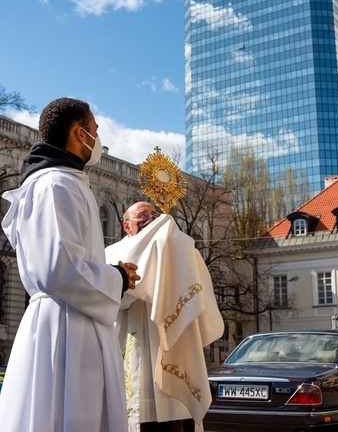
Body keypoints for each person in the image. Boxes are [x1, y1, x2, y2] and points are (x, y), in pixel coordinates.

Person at [0, 97, 140, 432]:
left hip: (72, 318)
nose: (99, 140)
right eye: (95, 130)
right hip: (65, 327)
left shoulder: (62, 181)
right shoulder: (54, 184)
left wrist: (114, 276)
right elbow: (57, 268)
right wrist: (117, 277)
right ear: (80, 133)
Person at [105, 201, 225, 432]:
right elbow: (113, 297)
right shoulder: (112, 252)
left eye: (154, 214)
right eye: (141, 215)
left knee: (174, 414)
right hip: (131, 337)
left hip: (170, 340)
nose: (150, 218)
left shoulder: (177, 248)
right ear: (126, 225)